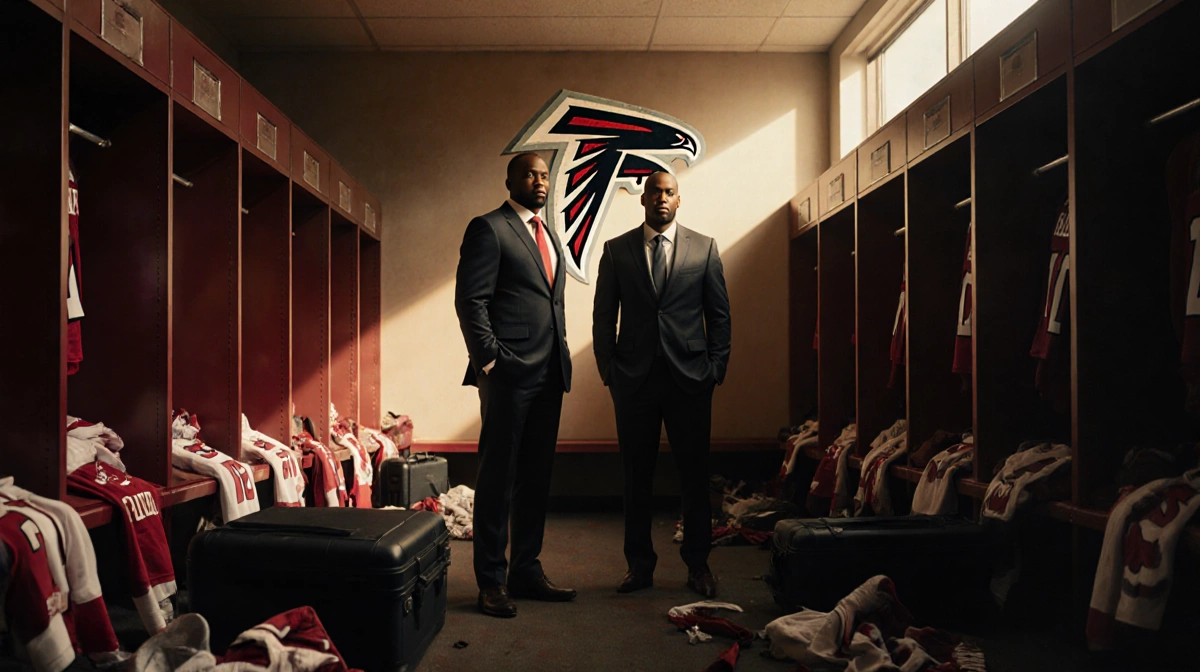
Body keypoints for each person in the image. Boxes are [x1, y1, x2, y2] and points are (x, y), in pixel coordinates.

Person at [592, 170, 732, 598]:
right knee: (636, 476)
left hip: (691, 378)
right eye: (655, 191)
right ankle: (639, 566)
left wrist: (715, 368)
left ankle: (698, 564)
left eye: (670, 192)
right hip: (633, 381)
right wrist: (609, 371)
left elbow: (719, 314)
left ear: (678, 199)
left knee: (694, 475)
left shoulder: (704, 248)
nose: (662, 198)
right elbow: (603, 316)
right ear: (643, 198)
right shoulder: (617, 250)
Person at [454, 152, 575, 618]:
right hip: (508, 374)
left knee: (536, 478)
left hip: (549, 372)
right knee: (498, 478)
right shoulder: (488, 228)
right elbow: (471, 301)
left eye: (544, 175)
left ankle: (526, 569)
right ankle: (490, 581)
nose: (539, 181)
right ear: (509, 181)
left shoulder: (550, 234)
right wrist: (490, 361)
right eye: (529, 174)